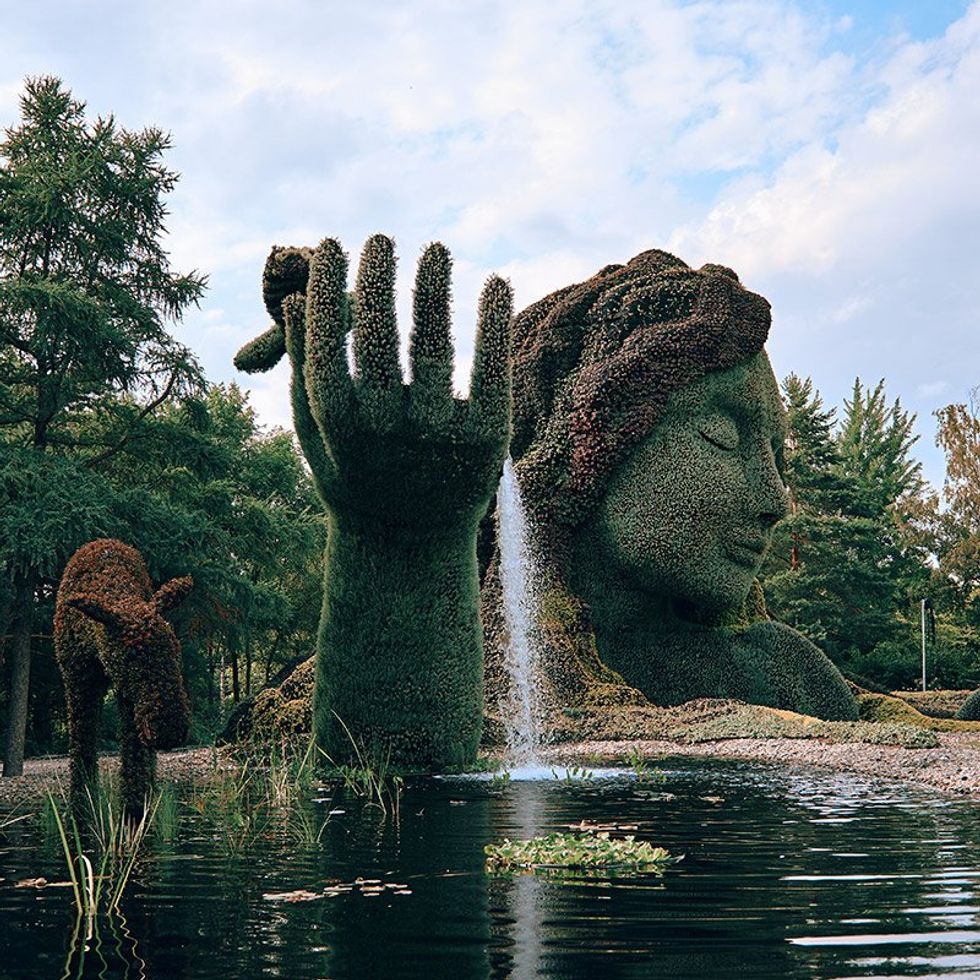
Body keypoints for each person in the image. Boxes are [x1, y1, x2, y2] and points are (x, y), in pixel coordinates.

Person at [496, 248, 857, 721]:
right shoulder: (469, 661)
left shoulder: (782, 669)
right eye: (722, 436)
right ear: (588, 442)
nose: (776, 500)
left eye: (776, 458)